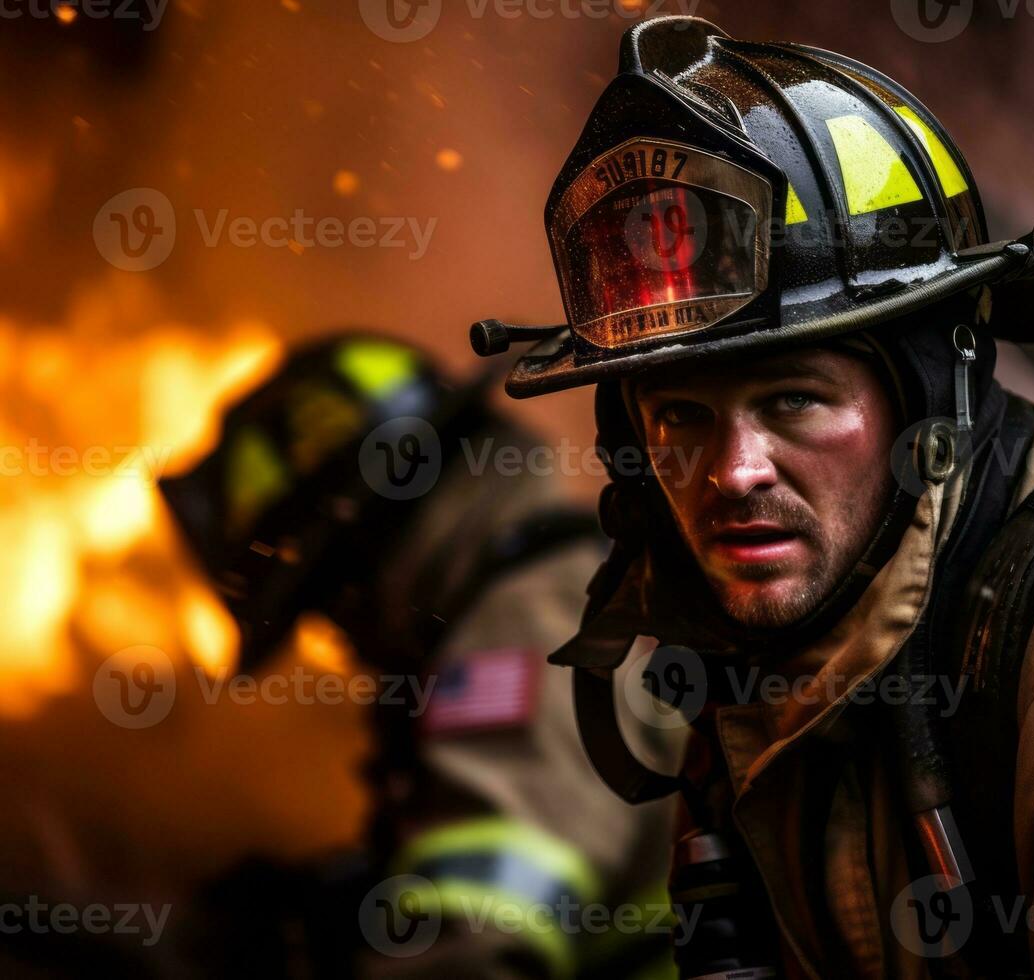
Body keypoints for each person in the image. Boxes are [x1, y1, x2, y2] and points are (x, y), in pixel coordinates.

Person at [469, 17, 1034, 980]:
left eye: (793, 400)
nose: (733, 470)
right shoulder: (786, 655)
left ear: (927, 397)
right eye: (682, 415)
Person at [159, 332, 681, 979]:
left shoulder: (519, 634)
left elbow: (476, 941)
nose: (344, 643)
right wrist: (353, 903)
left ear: (370, 548)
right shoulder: (572, 581)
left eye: (328, 601)